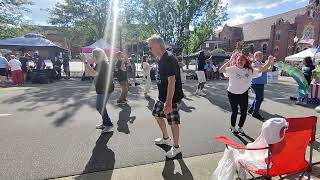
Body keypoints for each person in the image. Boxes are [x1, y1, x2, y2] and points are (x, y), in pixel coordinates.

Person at [147, 34, 184, 158]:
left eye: (150, 47)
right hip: (162, 97)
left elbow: (172, 81)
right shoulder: (160, 58)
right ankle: (166, 138)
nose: (150, 49)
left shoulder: (169, 58)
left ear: (157, 45)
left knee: (173, 122)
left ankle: (176, 147)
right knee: (157, 115)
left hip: (172, 98)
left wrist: (168, 102)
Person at [219, 52, 274, 135]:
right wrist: (230, 60)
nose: (240, 61)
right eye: (239, 60)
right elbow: (221, 70)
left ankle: (240, 127)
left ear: (245, 61)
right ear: (236, 61)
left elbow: (262, 69)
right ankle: (233, 127)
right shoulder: (232, 69)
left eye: (242, 60)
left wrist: (259, 61)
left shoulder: (249, 70)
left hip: (243, 93)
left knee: (244, 112)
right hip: (232, 93)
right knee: (235, 111)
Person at [80, 48, 115, 133]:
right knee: (101, 107)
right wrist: (86, 63)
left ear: (96, 56)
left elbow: (92, 73)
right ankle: (105, 122)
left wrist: (85, 61)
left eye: (92, 55)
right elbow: (89, 73)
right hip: (104, 88)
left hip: (104, 89)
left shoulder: (102, 64)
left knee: (99, 106)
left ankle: (108, 124)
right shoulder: (100, 64)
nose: (91, 57)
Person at [248, 51, 272, 120]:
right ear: (255, 57)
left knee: (258, 97)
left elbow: (269, 70)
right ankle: (255, 113)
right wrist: (269, 62)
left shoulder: (260, 63)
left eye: (262, 55)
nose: (261, 57)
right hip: (257, 83)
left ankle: (251, 110)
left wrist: (271, 63)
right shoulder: (254, 64)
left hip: (260, 83)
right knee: (260, 98)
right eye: (259, 55)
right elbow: (262, 69)